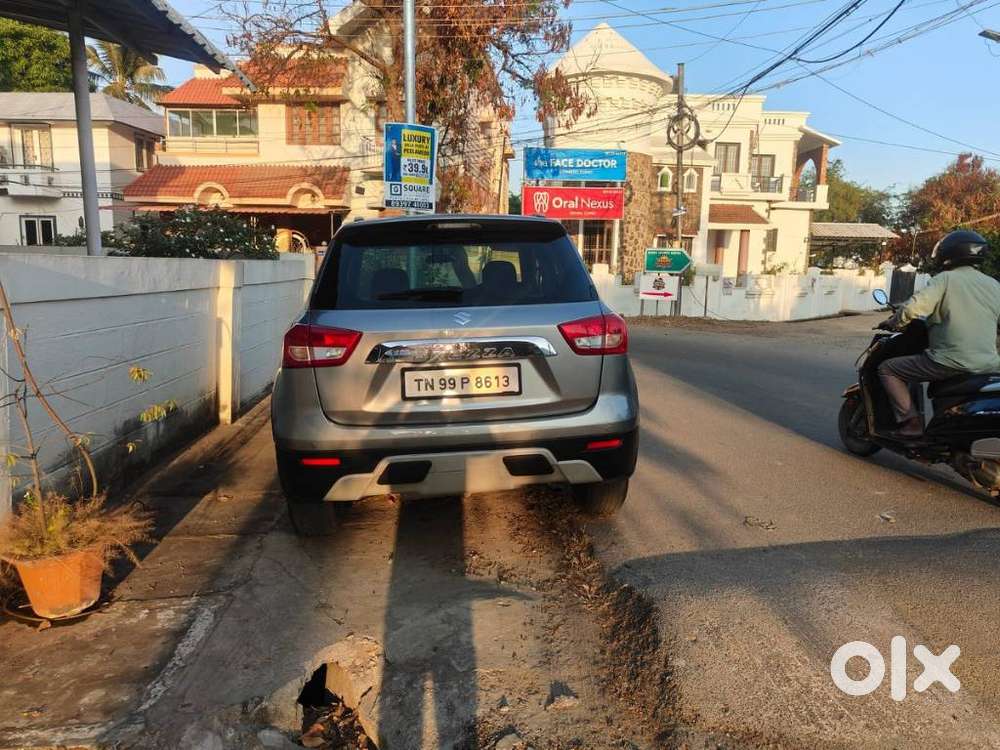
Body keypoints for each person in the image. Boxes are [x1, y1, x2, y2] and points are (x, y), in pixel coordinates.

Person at [877, 229, 1000, 438]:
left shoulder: (945, 279)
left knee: (888, 369)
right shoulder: (993, 284)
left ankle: (912, 422)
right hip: (989, 364)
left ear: (948, 254)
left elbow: (911, 309)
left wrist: (893, 322)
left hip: (948, 361)